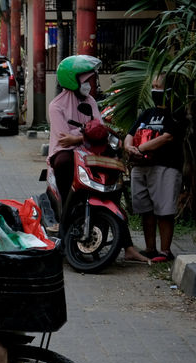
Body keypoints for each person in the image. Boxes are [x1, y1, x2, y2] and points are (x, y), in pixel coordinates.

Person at [48, 55, 151, 264]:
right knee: (63, 163)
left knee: (114, 181)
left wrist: (81, 136)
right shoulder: (56, 105)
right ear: (73, 80)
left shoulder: (91, 101)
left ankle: (128, 247)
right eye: (86, 80)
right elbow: (63, 139)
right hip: (66, 154)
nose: (89, 84)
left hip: (92, 153)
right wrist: (87, 135)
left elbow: (100, 128)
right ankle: (64, 229)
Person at [125, 75, 184, 262]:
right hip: (141, 166)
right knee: (146, 210)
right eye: (153, 86)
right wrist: (129, 147)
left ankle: (165, 251)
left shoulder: (176, 114)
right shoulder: (147, 113)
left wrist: (141, 148)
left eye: (158, 86)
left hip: (165, 166)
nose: (154, 90)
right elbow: (130, 133)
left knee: (164, 211)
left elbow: (167, 137)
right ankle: (150, 249)